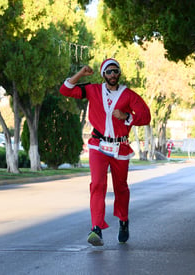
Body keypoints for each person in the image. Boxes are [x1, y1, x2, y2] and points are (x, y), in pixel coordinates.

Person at [59, 58, 151, 246]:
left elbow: (145, 116)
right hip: (98, 145)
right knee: (98, 185)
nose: (112, 75)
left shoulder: (128, 95)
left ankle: (123, 221)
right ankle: (96, 229)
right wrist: (80, 74)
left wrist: (127, 116)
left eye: (115, 71)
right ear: (103, 74)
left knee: (121, 188)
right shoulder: (93, 90)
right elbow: (65, 89)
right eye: (108, 72)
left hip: (120, 147)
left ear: (119, 73)